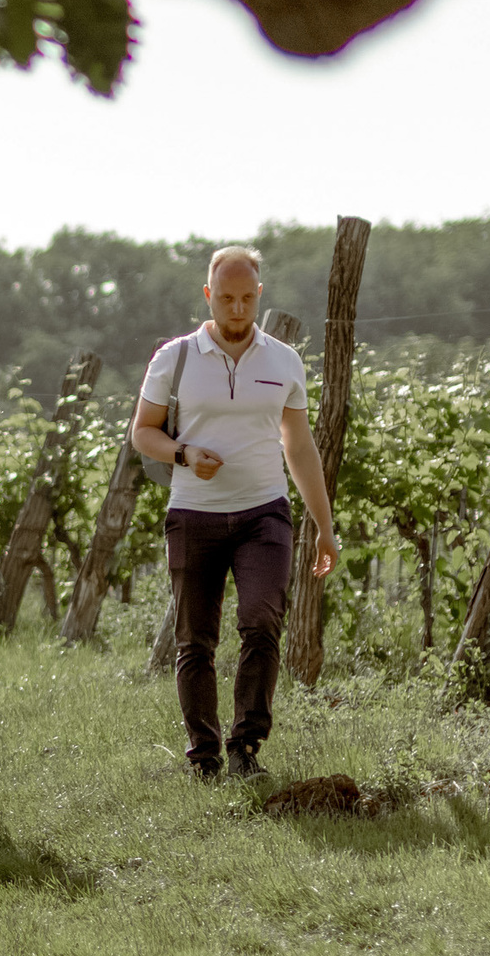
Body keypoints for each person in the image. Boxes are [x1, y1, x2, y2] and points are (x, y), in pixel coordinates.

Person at [129, 245, 339, 780]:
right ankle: (204, 757)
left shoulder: (284, 362)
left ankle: (246, 749)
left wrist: (324, 526)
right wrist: (183, 453)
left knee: (262, 623)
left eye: (247, 298)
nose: (237, 308)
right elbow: (143, 433)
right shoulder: (174, 358)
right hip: (193, 514)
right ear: (208, 295)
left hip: (264, 513)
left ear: (259, 295)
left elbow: (299, 446)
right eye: (226, 297)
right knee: (194, 640)